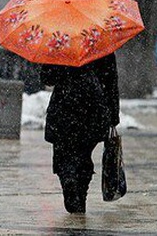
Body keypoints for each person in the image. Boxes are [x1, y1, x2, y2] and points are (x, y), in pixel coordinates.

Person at [40, 53, 120, 214]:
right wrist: (113, 114)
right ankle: (80, 193)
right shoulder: (99, 41)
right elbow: (111, 80)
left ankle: (68, 179)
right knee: (83, 153)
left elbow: (47, 78)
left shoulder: (59, 41)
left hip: (64, 104)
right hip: (93, 106)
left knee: (63, 154)